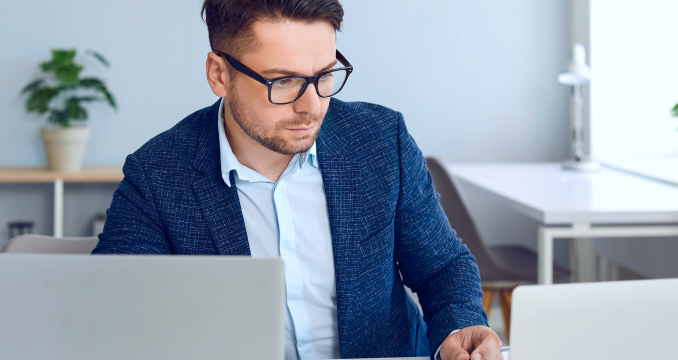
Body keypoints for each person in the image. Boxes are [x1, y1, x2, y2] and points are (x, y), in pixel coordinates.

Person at [93, 1, 503, 359]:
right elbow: (114, 314)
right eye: (283, 81)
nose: (312, 106)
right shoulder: (157, 176)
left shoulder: (380, 141)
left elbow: (441, 266)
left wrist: (457, 329)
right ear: (219, 74)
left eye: (324, 75)